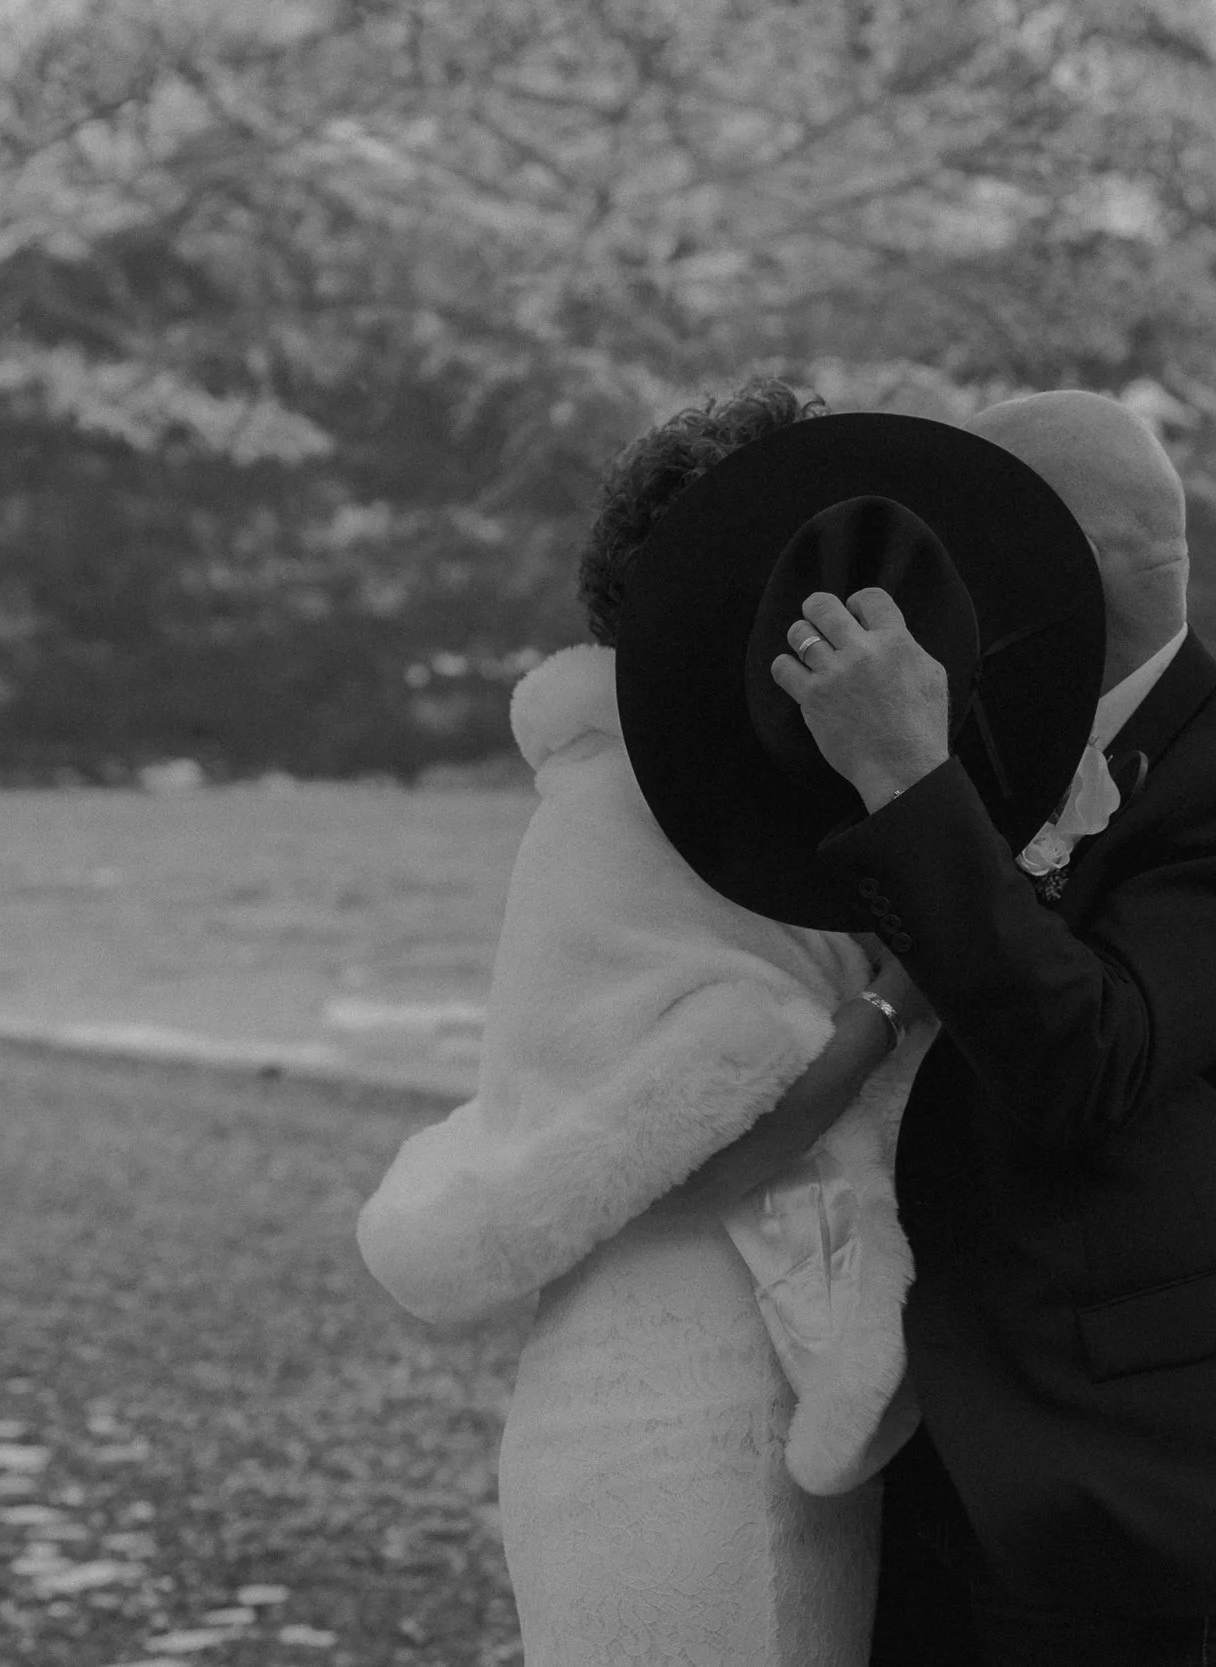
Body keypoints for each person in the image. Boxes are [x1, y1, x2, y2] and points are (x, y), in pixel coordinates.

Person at [770, 390, 1216, 1666]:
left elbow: (1087, 1060)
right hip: (928, 1432)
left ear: (1060, 562)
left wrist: (904, 777)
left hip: (1123, 1466)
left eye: (962, 547)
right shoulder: (980, 747)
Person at [354, 381, 939, 1665]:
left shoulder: (632, 787)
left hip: (667, 1368)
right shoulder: (648, 808)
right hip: (689, 1398)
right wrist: (901, 996)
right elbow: (709, 1131)